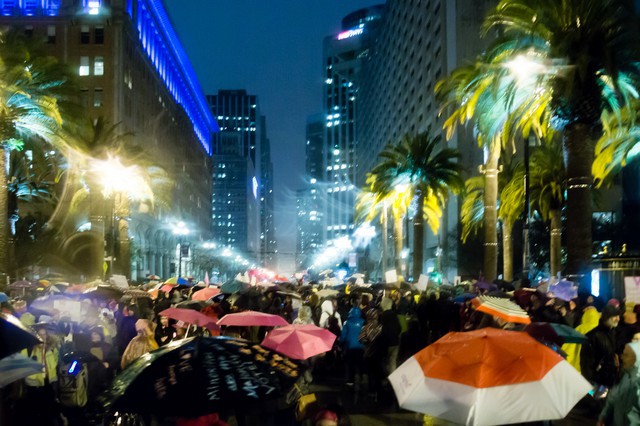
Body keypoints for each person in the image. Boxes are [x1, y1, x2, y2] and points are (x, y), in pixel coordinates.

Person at [597, 342, 640, 426]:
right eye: (623, 354)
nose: (621, 358)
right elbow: (612, 399)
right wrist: (603, 417)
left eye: (626, 355)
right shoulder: (625, 377)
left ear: (637, 359)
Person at [581, 305, 621, 388]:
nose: (618, 319)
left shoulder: (613, 332)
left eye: (618, 316)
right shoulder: (593, 335)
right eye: (614, 316)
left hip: (611, 379)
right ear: (607, 317)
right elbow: (586, 362)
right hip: (599, 382)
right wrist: (591, 382)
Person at [339, 305, 365, 387]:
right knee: (359, 363)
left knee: (349, 364)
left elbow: (343, 335)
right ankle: (360, 378)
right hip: (360, 347)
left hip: (349, 347)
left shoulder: (346, 322)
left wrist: (341, 343)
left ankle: (350, 381)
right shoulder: (363, 322)